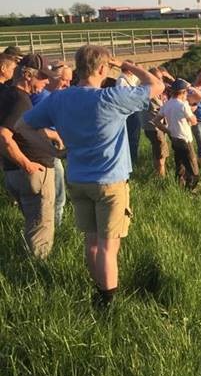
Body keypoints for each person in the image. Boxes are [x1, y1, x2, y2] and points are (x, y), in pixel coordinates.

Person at [23, 45, 164, 307]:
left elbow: (25, 125)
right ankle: (107, 302)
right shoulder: (112, 98)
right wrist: (128, 66)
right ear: (102, 68)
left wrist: (51, 148)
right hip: (110, 182)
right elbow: (157, 86)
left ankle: (97, 287)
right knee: (109, 248)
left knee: (91, 242)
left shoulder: (59, 99)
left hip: (78, 179)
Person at [0, 54, 59, 259]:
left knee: (33, 223)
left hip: (12, 172)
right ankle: (37, 273)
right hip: (32, 173)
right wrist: (27, 164)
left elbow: (20, 129)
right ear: (27, 75)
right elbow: (4, 136)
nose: (46, 82)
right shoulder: (20, 100)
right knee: (40, 228)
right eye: (42, 77)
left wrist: (52, 134)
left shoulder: (6, 94)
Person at [29, 62, 73, 227]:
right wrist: (56, 135)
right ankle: (55, 228)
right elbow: (29, 126)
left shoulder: (50, 95)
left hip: (49, 148)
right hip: (46, 149)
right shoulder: (43, 97)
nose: (67, 84)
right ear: (53, 78)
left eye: (69, 81)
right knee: (57, 193)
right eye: (64, 80)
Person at [153, 78, 199, 189]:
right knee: (192, 166)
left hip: (174, 138)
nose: (187, 94)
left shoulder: (167, 104)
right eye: (186, 92)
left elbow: (156, 121)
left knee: (180, 164)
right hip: (185, 139)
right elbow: (194, 121)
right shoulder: (183, 105)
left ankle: (179, 186)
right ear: (183, 92)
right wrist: (192, 113)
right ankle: (192, 188)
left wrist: (167, 130)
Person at [140, 68, 169, 177]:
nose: (160, 81)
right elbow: (159, 108)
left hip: (155, 126)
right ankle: (161, 179)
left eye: (161, 78)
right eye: (158, 78)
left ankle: (159, 175)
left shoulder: (150, 89)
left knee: (158, 153)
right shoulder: (149, 91)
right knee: (161, 155)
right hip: (154, 127)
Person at [115, 60, 142, 166]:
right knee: (132, 137)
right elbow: (122, 98)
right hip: (129, 112)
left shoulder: (132, 78)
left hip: (135, 110)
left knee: (135, 136)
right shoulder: (121, 80)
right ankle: (131, 161)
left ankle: (134, 158)